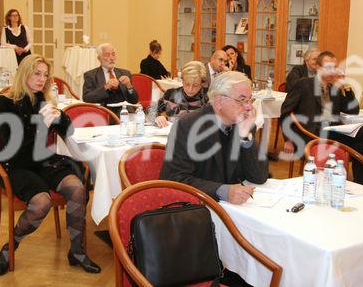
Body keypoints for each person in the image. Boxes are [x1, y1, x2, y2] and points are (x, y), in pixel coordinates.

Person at [0, 54, 100, 275]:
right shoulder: (4, 102)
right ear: (25, 73)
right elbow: (13, 147)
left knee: (77, 189)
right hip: (19, 165)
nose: (42, 79)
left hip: (45, 161)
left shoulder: (44, 102)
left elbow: (68, 133)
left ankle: (77, 251)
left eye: (45, 75)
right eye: (36, 73)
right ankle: (9, 248)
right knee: (41, 203)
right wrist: (41, 125)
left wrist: (60, 116)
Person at [280, 51, 363, 192]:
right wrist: (288, 139)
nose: (332, 72)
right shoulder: (303, 84)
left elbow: (353, 111)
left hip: (332, 131)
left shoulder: (333, 88)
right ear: (317, 67)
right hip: (311, 134)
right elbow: (286, 111)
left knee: (362, 138)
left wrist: (345, 87)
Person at [160, 71, 268, 204]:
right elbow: (175, 178)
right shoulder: (188, 126)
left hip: (235, 207)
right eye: (242, 100)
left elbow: (259, 177)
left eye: (250, 99)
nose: (249, 106)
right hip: (197, 207)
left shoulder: (243, 125)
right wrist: (223, 191)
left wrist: (245, 137)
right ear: (219, 102)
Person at [82, 43, 138, 116]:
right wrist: (105, 87)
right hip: (103, 112)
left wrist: (129, 86)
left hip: (124, 112)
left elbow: (134, 100)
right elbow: (86, 98)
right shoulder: (91, 75)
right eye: (107, 55)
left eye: (113, 54)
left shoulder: (125, 73)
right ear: (99, 58)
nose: (111, 58)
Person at [153, 61, 208, 128]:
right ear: (182, 80)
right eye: (187, 84)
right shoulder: (170, 94)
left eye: (195, 85)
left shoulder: (208, 98)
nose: (190, 89)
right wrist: (158, 117)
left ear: (202, 83)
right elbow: (151, 110)